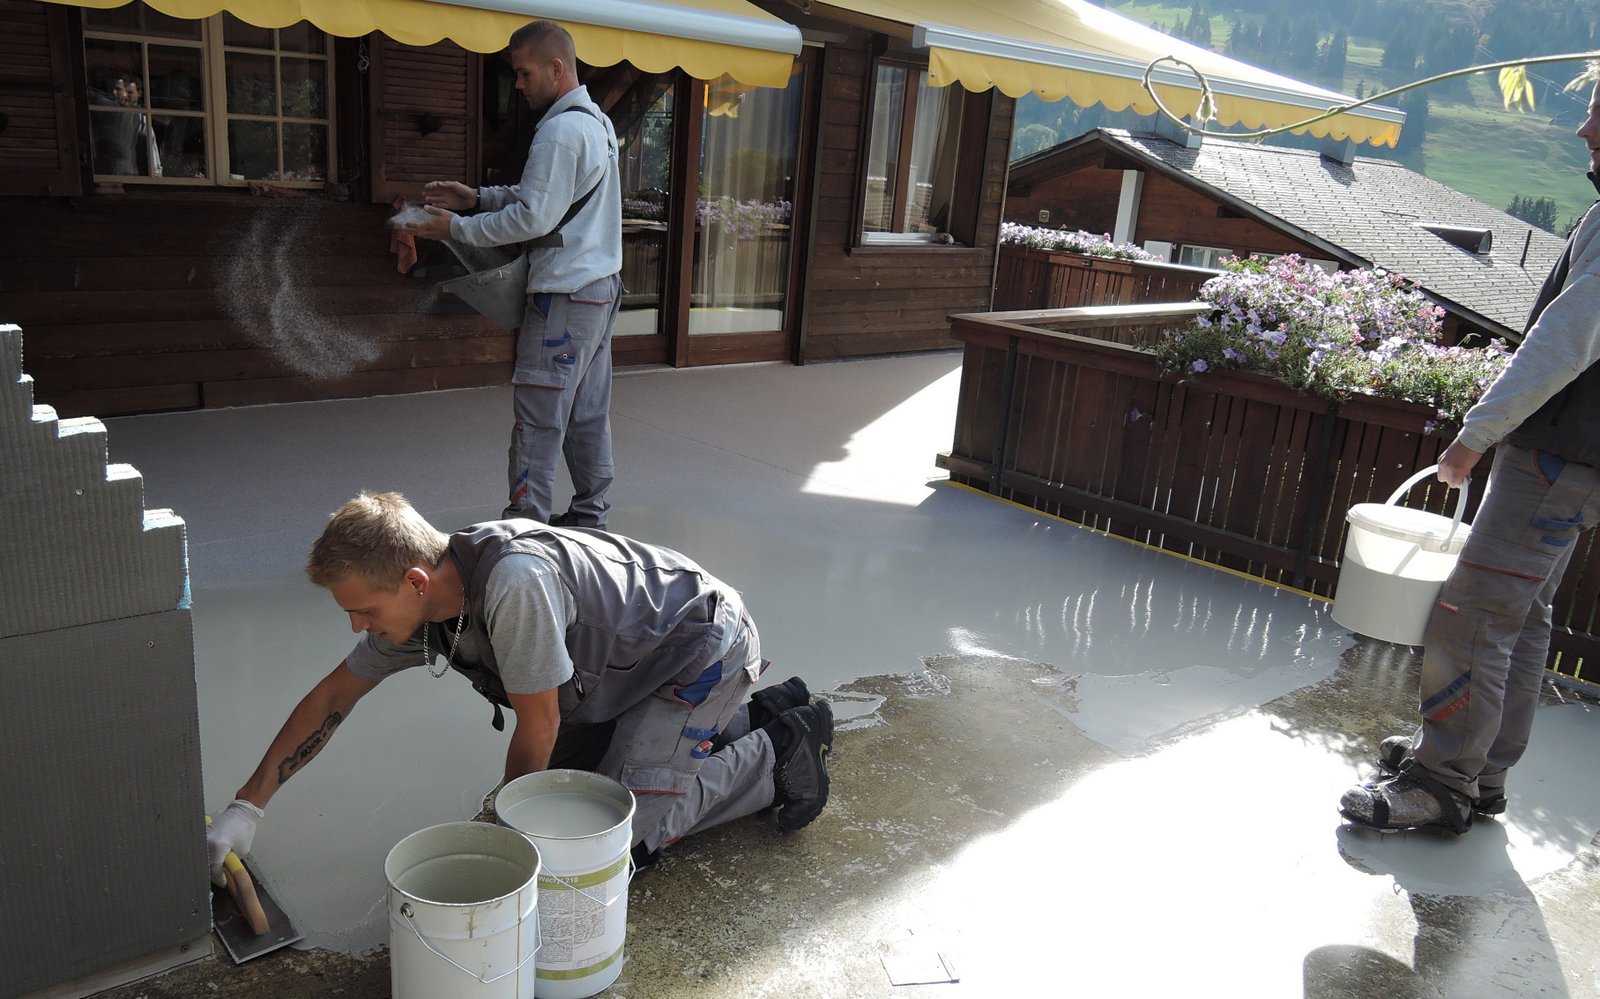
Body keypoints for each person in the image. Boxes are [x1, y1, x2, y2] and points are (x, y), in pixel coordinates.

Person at [203, 492, 832, 885]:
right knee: (568, 801)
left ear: (417, 582)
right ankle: (755, 716)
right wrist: (247, 807)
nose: (357, 627)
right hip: (628, 669)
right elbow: (333, 696)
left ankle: (781, 748)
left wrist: (513, 843)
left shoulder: (513, 588)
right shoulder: (425, 606)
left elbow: (541, 726)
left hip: (698, 655)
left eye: (364, 610)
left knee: (604, 844)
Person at [1339, 81, 1600, 834]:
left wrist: (1475, 434)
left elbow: (1566, 338)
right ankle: (1482, 771)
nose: (1584, 126)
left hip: (1554, 457)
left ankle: (1440, 780)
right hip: (1578, 467)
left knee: (1471, 615)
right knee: (1521, 615)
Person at [407, 20, 621, 528]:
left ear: (556, 67)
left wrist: (456, 228)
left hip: (564, 295)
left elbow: (532, 219)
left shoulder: (560, 131)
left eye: (524, 74)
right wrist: (478, 198)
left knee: (538, 418)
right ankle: (591, 516)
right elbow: (547, 200)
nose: (518, 85)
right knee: (586, 413)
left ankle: (525, 529)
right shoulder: (596, 123)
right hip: (599, 289)